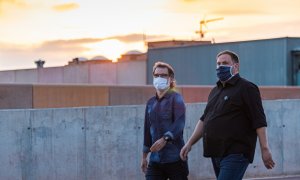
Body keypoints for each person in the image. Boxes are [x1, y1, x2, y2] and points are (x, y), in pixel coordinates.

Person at [180, 50, 275, 180]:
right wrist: (189, 143)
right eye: (218, 64)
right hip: (216, 152)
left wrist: (265, 148)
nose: (220, 67)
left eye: (225, 63)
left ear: (235, 66)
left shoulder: (247, 88)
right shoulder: (215, 90)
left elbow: (259, 120)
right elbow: (205, 119)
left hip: (236, 152)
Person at [141, 61, 189, 180]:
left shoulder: (177, 99)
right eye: (156, 75)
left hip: (175, 159)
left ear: (170, 78)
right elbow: (147, 130)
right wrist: (144, 157)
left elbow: (180, 123)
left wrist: (165, 139)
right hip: (155, 160)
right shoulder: (150, 103)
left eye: (163, 75)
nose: (159, 78)